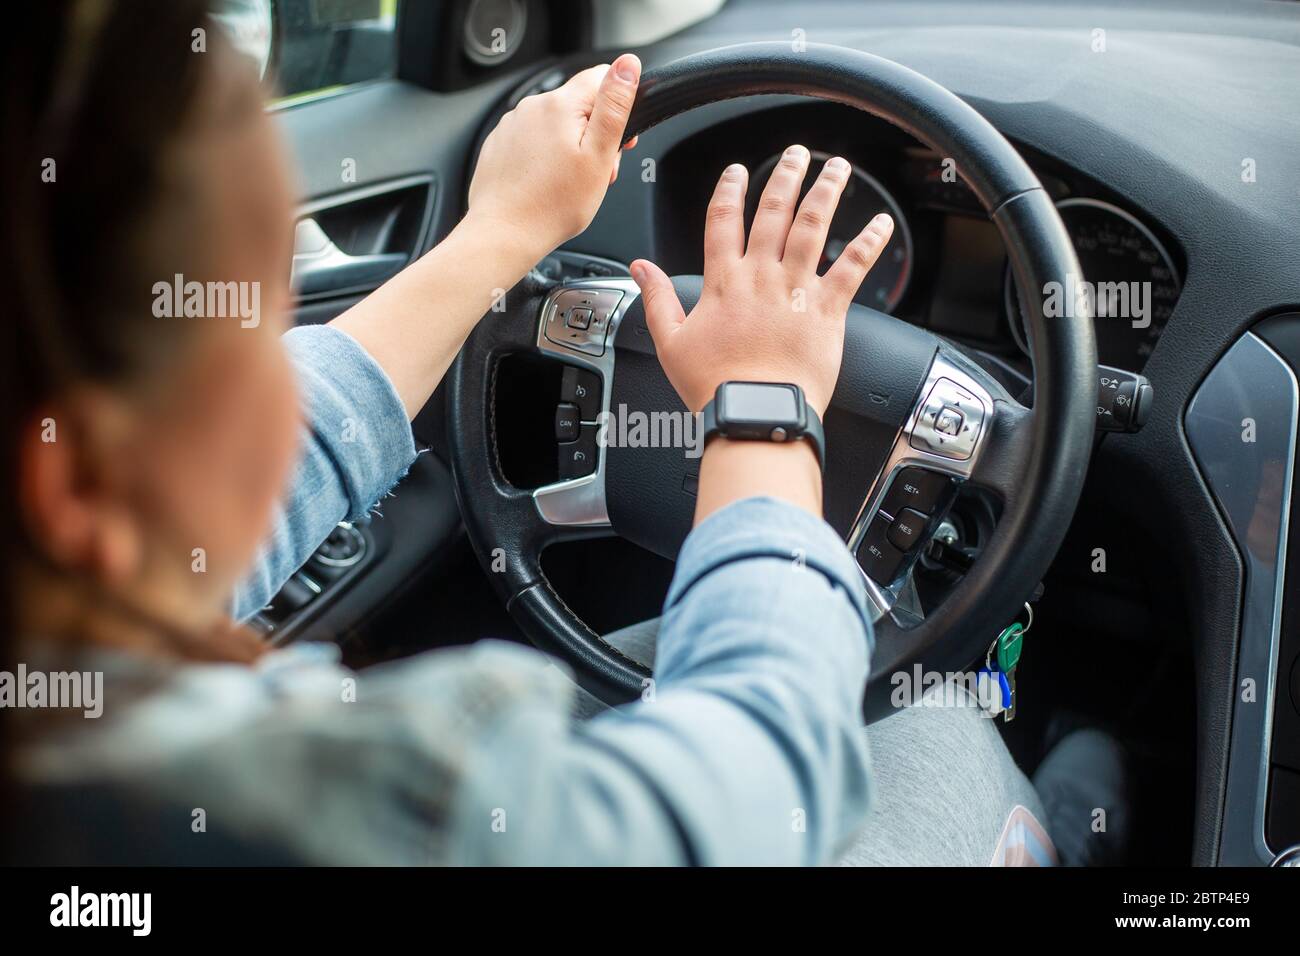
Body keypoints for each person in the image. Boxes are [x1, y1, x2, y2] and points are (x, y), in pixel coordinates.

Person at [3, 0, 1098, 866]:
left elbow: (286, 455)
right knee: (922, 720)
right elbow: (757, 783)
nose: (295, 342)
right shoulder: (373, 797)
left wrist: (504, 233)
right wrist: (765, 405)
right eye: (259, 307)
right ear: (84, 482)